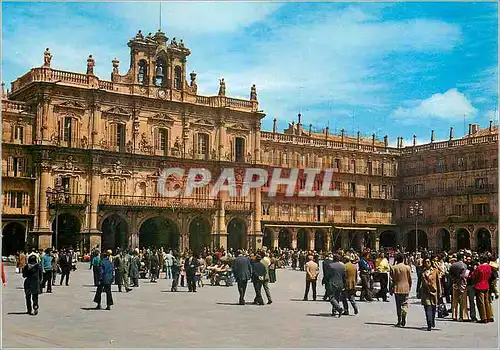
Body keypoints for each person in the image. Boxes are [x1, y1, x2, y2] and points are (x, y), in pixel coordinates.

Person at [390, 253, 412, 327]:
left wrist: (391, 288)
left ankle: (399, 320)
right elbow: (410, 279)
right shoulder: (407, 267)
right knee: (405, 304)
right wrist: (409, 287)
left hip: (397, 288)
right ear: (403, 259)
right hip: (405, 288)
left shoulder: (394, 268)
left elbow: (392, 279)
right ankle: (404, 314)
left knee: (398, 305)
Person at [420, 257, 441, 331]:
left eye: (428, 262)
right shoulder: (423, 271)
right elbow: (420, 282)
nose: (427, 263)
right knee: (427, 308)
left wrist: (440, 292)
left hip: (434, 292)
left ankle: (432, 320)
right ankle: (429, 323)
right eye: (426, 262)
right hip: (426, 292)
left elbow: (438, 282)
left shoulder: (435, 271)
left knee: (433, 308)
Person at [472, 255, 494, 323]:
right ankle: (489, 316)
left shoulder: (479, 267)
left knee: (481, 303)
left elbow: (474, 275)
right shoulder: (489, 267)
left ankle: (483, 318)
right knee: (487, 301)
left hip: (480, 285)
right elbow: (490, 275)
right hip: (486, 284)